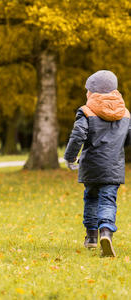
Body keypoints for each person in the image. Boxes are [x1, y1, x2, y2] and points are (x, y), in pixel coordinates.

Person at [64, 70, 129, 257]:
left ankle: (91, 236)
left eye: (88, 90)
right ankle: (106, 232)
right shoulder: (124, 113)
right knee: (108, 200)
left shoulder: (86, 111)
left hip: (91, 167)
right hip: (113, 167)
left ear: (93, 92)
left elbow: (78, 136)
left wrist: (69, 157)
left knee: (91, 198)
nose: (86, 93)